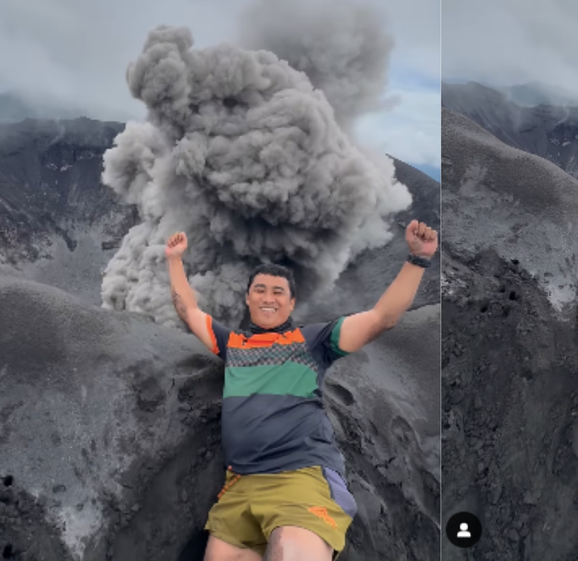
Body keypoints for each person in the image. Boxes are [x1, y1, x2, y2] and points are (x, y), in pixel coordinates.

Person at [164, 221, 438, 561]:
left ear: (291, 303)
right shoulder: (232, 344)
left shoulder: (314, 342)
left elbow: (381, 318)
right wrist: (175, 260)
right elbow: (188, 310)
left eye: (278, 292)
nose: (268, 297)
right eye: (260, 289)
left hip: (300, 477)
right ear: (248, 298)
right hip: (239, 488)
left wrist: (418, 260)